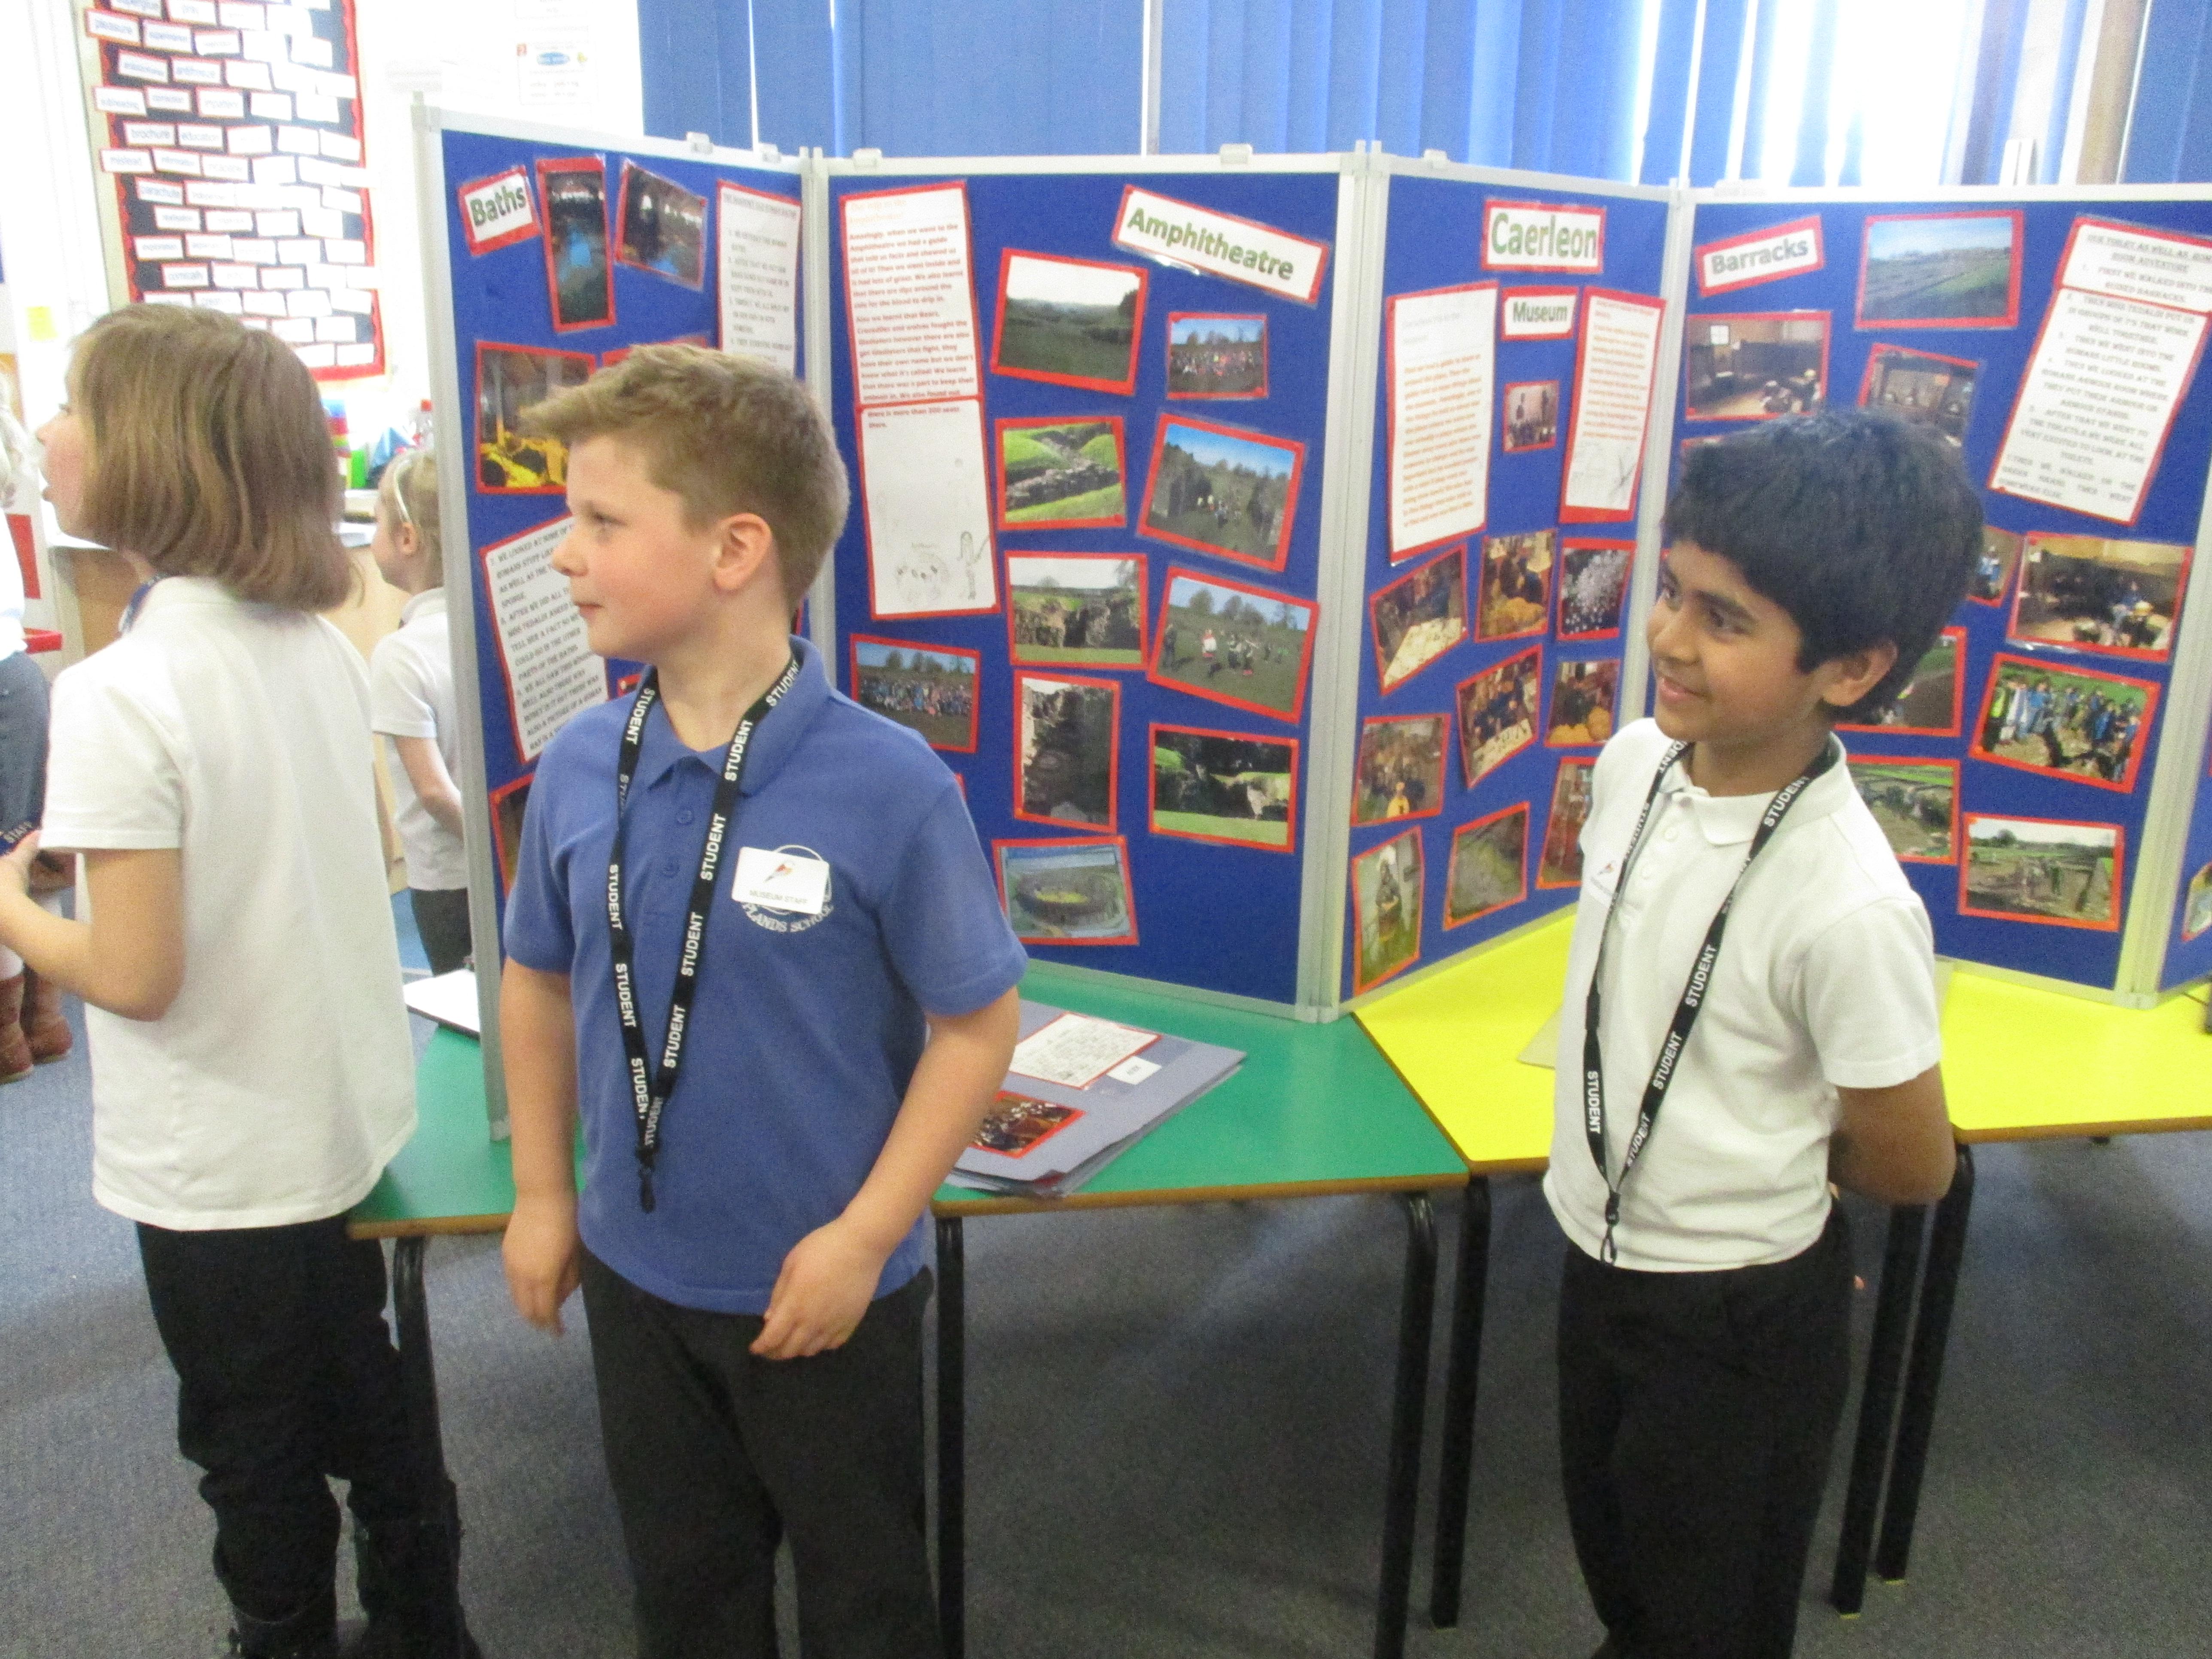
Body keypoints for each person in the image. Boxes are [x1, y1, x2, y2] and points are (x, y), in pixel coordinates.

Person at [497, 343, 1026, 1658]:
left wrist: (865, 1236)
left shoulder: (890, 785)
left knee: (865, 1600)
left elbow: (976, 1026)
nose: (562, 553)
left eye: (601, 521)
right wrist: (545, 1195)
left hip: (827, 1286)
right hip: (636, 1273)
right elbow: (536, 975)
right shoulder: (579, 764)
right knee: (686, 1594)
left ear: (735, 549)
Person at [0, 307, 479, 1659]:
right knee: (366, 1399)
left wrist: (12, 910)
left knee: (249, 1447)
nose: (48, 435)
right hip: (333, 1122)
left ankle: (284, 1638)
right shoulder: (314, 645)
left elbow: (134, 973)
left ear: (152, 452)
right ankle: (426, 1628)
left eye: (75, 406)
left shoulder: (116, 688)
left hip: (214, 1165)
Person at [1546, 409, 1970, 1659]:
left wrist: (1767, 1166)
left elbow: (1913, 1164)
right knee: (1621, 1567)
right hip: (1593, 1247)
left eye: (1724, 620)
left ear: (1849, 669)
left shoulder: (1850, 902)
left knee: (1711, 1617)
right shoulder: (1637, 763)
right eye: (1672, 590)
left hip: (1733, 1310)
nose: (1669, 637)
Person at [368, 448, 471, 975]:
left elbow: (433, 792)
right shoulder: (484, 627)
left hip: (448, 880)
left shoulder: (400, 654)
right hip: (505, 864)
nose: (372, 537)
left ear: (407, 538)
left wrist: (487, 851)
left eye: (376, 523)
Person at [0, 380, 69, 1078]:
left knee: (5, 860)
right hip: (18, 681)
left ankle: (8, 1040)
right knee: (29, 847)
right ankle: (42, 1021)